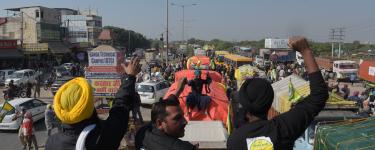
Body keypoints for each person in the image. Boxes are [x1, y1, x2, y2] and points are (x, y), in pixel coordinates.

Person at [227, 36, 329, 150]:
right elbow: (319, 95)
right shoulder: (283, 128)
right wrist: (305, 51)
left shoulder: (234, 141)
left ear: (244, 105)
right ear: (269, 101)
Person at [45, 57, 142, 150]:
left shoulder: (52, 143)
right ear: (86, 106)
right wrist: (129, 77)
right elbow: (121, 107)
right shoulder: (104, 137)